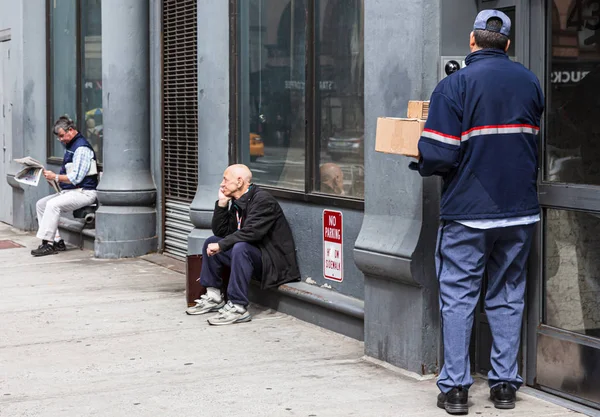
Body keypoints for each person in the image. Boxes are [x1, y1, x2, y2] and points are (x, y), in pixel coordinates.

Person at [408, 10, 545, 414]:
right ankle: (504, 387)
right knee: (507, 295)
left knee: (459, 297)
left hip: (469, 212)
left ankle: (455, 389)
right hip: (519, 212)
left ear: (472, 42)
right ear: (507, 44)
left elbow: (439, 153)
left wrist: (419, 158)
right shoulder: (530, 82)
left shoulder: (455, 85)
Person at [186, 164, 301, 325]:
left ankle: (238, 307)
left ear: (239, 182)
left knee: (240, 247)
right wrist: (222, 204)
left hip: (273, 263)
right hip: (252, 257)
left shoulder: (262, 200)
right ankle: (214, 297)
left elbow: (251, 233)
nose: (222, 184)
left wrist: (222, 246)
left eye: (225, 179)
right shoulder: (238, 201)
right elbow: (221, 232)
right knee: (212, 241)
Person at [31, 116, 99, 257]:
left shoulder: (81, 148)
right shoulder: (71, 146)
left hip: (85, 192)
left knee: (52, 205)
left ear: (71, 130)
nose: (61, 139)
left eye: (62, 136)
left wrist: (55, 177)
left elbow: (76, 178)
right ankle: (57, 241)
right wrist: (54, 180)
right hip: (73, 191)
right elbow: (70, 176)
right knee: (41, 204)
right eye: (58, 137)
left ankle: (47, 244)